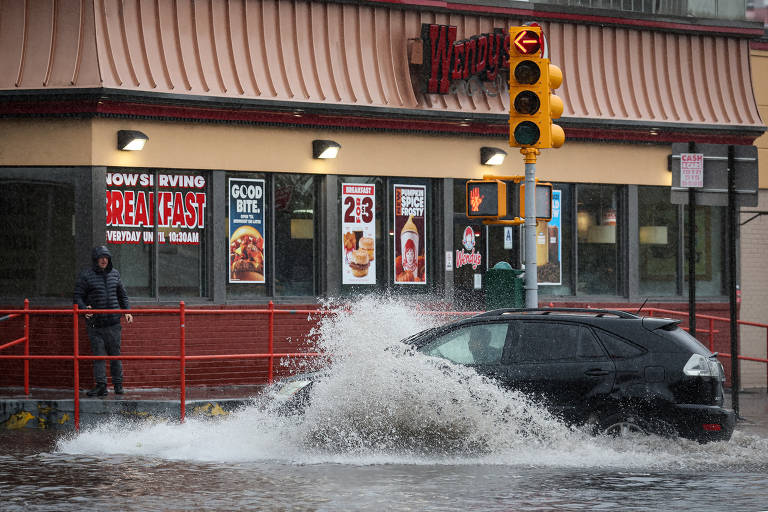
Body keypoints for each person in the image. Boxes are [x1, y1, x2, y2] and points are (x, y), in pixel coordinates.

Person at [73, 246, 133, 397]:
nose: (104, 260)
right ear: (95, 259)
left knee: (115, 356)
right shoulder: (86, 275)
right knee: (98, 357)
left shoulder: (115, 274)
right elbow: (77, 296)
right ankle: (101, 386)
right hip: (95, 325)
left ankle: (118, 385)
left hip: (113, 323)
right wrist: (84, 308)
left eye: (106, 257)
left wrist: (127, 311)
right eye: (101, 257)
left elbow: (122, 296)